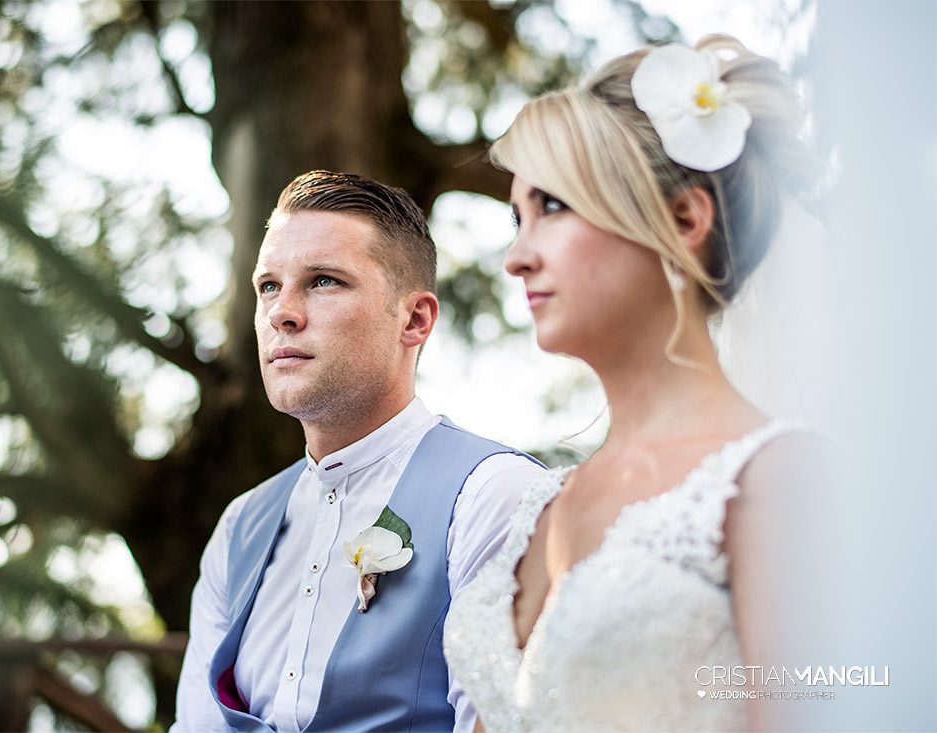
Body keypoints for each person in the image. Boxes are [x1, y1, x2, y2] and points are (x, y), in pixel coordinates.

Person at [444, 36, 825, 731]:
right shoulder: (541, 503)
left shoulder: (777, 480)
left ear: (683, 221)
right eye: (516, 218)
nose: (515, 258)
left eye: (552, 206)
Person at [173, 170, 546, 732]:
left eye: (323, 281)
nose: (281, 313)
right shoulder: (238, 527)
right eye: (268, 286)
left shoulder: (494, 496)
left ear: (414, 319)